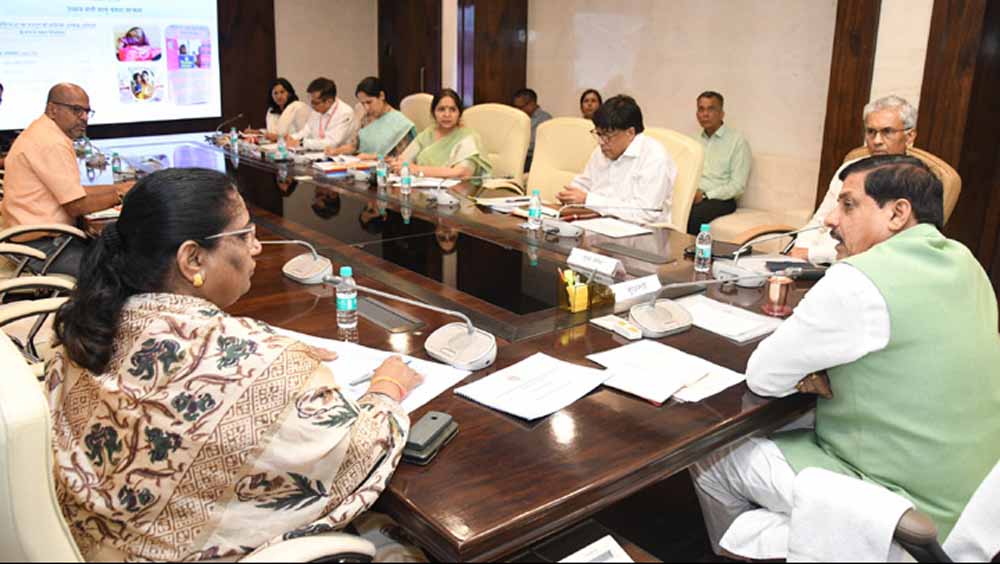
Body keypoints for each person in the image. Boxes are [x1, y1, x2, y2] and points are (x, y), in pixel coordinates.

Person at [47, 167, 424, 561]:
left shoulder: (95, 319)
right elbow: (357, 449)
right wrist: (387, 387)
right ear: (193, 258)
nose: (256, 247)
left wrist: (269, 353)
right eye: (244, 235)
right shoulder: (256, 365)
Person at [691, 155, 1000, 560]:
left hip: (904, 511)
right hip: (970, 504)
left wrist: (817, 372)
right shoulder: (966, 262)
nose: (831, 219)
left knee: (711, 454)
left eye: (848, 205)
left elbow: (764, 376)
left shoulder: (859, 280)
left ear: (897, 213)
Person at [1, 83, 132, 275]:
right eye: (77, 110)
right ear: (53, 109)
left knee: (114, 253)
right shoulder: (51, 142)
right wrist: (120, 194)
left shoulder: (43, 131)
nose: (84, 118)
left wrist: (121, 188)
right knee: (117, 273)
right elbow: (76, 205)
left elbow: (74, 192)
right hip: (41, 248)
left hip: (30, 238)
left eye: (87, 112)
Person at [791, 95, 918, 263]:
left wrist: (811, 254)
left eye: (887, 132)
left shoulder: (915, 181)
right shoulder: (850, 168)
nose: (877, 141)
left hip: (857, 265)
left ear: (910, 136)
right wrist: (797, 253)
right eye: (871, 132)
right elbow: (820, 220)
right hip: (811, 262)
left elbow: (878, 247)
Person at [557, 95, 676, 224]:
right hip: (597, 223)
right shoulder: (601, 151)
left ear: (630, 132)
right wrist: (569, 196)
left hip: (640, 230)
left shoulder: (654, 157)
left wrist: (588, 200)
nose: (601, 142)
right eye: (599, 134)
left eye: (607, 135)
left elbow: (645, 213)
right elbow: (584, 183)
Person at [687, 91, 752, 234]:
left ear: (722, 114)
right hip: (693, 195)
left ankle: (690, 248)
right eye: (701, 109)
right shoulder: (693, 140)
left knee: (693, 216)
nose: (705, 114)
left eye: (711, 109)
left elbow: (737, 186)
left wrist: (705, 195)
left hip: (720, 199)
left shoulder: (737, 142)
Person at [391, 88, 491, 180]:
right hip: (423, 189)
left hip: (458, 191)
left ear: (459, 113)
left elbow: (462, 173)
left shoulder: (468, 137)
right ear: (433, 112)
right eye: (441, 109)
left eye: (452, 109)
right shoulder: (427, 134)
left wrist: (417, 169)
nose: (447, 115)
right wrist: (397, 165)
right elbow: (403, 161)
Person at [326, 76, 416, 158]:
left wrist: (374, 157)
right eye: (363, 103)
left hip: (386, 168)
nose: (366, 108)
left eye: (369, 102)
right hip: (362, 165)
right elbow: (354, 146)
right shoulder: (366, 118)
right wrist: (336, 151)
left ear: (381, 96)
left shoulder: (400, 123)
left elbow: (403, 159)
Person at [288, 77, 356, 152]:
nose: (312, 106)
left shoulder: (345, 113)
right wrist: (292, 138)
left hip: (338, 156)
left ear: (329, 101)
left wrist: (302, 143)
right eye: (311, 101)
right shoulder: (316, 110)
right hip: (317, 153)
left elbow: (332, 143)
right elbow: (306, 131)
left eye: (315, 103)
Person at [512, 88, 552, 171]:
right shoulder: (517, 117)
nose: (518, 110)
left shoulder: (545, 119)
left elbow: (534, 144)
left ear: (532, 104)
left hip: (532, 159)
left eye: (520, 107)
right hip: (516, 155)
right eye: (515, 107)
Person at [261, 78, 310, 142]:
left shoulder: (298, 107)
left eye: (282, 92)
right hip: (273, 146)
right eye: (275, 93)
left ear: (289, 93)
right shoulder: (271, 110)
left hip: (293, 146)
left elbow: (304, 134)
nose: (279, 96)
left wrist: (279, 138)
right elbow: (272, 131)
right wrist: (259, 132)